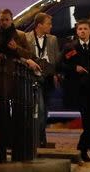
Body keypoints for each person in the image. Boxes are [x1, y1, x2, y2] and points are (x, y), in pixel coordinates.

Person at [61, 19, 90, 164]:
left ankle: (82, 149)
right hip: (79, 90)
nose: (82, 31)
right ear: (76, 31)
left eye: (85, 29)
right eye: (80, 29)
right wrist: (74, 68)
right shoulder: (71, 47)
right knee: (88, 121)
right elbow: (60, 64)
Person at [25, 13, 60, 148]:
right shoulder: (27, 38)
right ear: (39, 25)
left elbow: (56, 59)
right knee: (38, 109)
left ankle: (41, 137)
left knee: (45, 111)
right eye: (48, 24)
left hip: (48, 78)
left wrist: (56, 74)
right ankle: (37, 139)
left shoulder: (52, 39)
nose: (51, 26)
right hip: (33, 77)